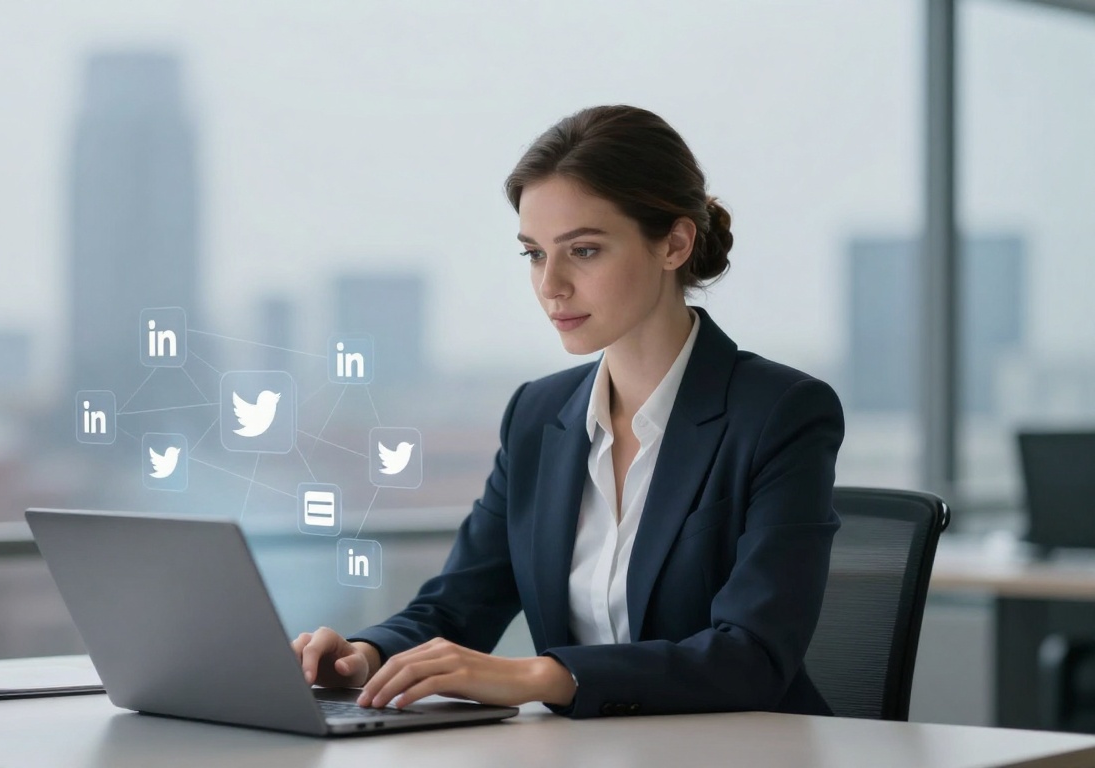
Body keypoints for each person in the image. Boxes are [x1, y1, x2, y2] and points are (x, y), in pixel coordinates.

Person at [292, 104, 844, 718]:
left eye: (583, 250)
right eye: (534, 253)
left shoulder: (780, 413)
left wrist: (542, 675)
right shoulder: (539, 414)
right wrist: (364, 656)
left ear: (674, 243)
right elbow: (458, 605)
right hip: (586, 752)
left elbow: (751, 657)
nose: (550, 284)